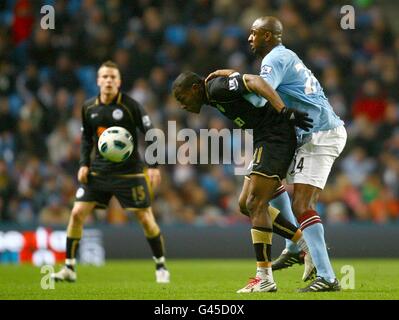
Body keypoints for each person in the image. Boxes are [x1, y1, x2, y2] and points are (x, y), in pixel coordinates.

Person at [206, 16, 347, 292]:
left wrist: (229, 80)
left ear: (267, 36)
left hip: (319, 134)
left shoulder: (273, 60)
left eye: (254, 33)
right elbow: (260, 86)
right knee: (270, 185)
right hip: (308, 134)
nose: (249, 38)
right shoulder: (284, 56)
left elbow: (259, 96)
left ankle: (328, 277)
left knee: (302, 205)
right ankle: (295, 247)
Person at [172, 71, 313, 293]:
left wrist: (284, 111)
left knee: (255, 203)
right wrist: (229, 72)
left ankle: (264, 278)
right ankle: (307, 246)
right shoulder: (212, 92)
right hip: (263, 138)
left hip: (275, 136)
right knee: (245, 204)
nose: (182, 105)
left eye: (182, 99)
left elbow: (256, 81)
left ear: (194, 89)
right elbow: (242, 80)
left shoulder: (216, 89)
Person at [51, 61, 170, 284]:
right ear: (98, 81)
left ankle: (161, 265)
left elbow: (151, 133)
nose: (108, 80)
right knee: (76, 214)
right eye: (104, 77)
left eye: (112, 77)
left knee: (145, 218)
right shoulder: (88, 108)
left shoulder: (130, 105)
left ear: (119, 82)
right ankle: (69, 268)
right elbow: (87, 138)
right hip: (99, 171)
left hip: (130, 172)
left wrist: (153, 166)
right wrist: (83, 164)